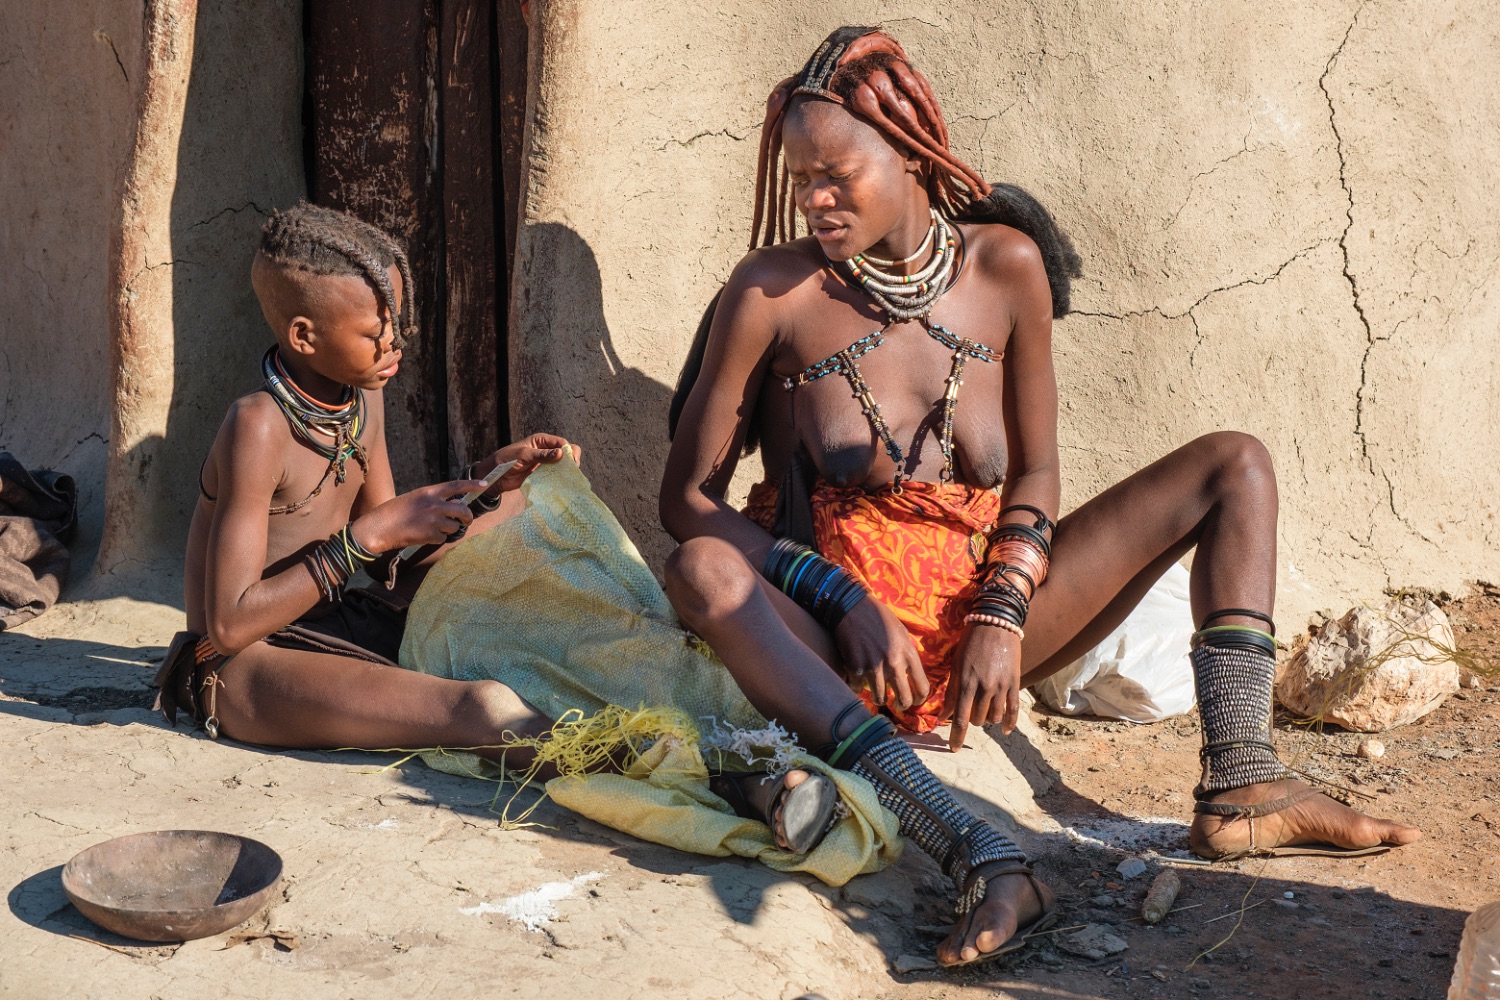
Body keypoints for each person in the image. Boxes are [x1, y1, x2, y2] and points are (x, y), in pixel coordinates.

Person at [659, 25, 1421, 966]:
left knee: (1238, 465)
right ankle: (973, 844)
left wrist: (1003, 612)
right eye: (799, 177)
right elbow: (687, 502)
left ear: (908, 150)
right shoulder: (773, 293)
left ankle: (1244, 789)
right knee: (699, 571)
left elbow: (1036, 473)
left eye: (836, 173)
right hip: (842, 646)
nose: (814, 199)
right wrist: (839, 598)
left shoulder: (1005, 269)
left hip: (988, 617)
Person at [154, 202, 846, 855]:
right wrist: (366, 539)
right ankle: (723, 785)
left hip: (347, 622)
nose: (395, 344)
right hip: (242, 669)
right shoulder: (258, 425)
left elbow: (399, 559)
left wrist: (492, 484)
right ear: (304, 335)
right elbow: (229, 622)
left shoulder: (363, 398)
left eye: (397, 325)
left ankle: (731, 751)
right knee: (484, 710)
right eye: (375, 333)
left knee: (541, 624)